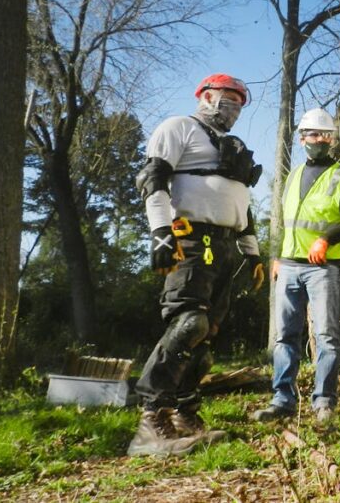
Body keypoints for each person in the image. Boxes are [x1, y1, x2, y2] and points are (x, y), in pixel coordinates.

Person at [128, 73, 266, 457]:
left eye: (239, 103)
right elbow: (153, 178)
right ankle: (150, 421)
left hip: (224, 245)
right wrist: (160, 234)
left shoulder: (231, 146)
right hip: (190, 238)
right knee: (190, 322)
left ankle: (185, 414)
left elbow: (242, 204)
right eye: (227, 98)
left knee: (206, 338)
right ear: (205, 96)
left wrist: (251, 252)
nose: (234, 108)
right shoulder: (178, 128)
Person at [253, 108, 340, 424]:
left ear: (331, 139)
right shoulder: (292, 176)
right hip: (288, 266)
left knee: (327, 336)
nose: (319, 139)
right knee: (285, 337)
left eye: (325, 134)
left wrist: (326, 240)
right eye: (313, 134)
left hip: (323, 268)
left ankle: (324, 404)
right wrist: (277, 255)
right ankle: (282, 400)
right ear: (302, 138)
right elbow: (287, 222)